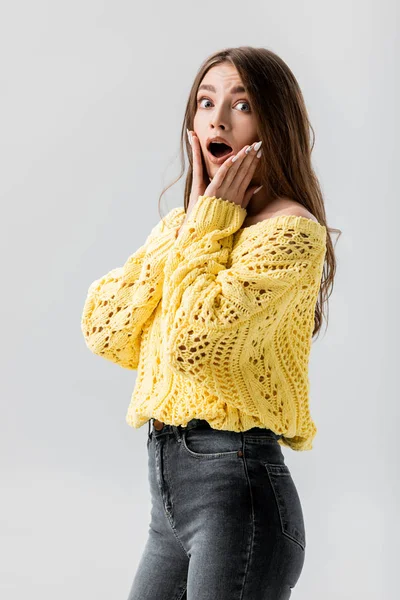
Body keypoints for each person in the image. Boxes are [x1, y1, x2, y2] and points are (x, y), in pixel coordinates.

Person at [81, 46, 340, 600]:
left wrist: (208, 223)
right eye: (205, 103)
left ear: (275, 122)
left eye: (240, 104)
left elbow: (195, 344)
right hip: (168, 501)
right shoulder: (191, 227)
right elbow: (105, 328)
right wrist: (196, 223)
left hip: (237, 493)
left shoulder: (289, 232)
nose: (217, 119)